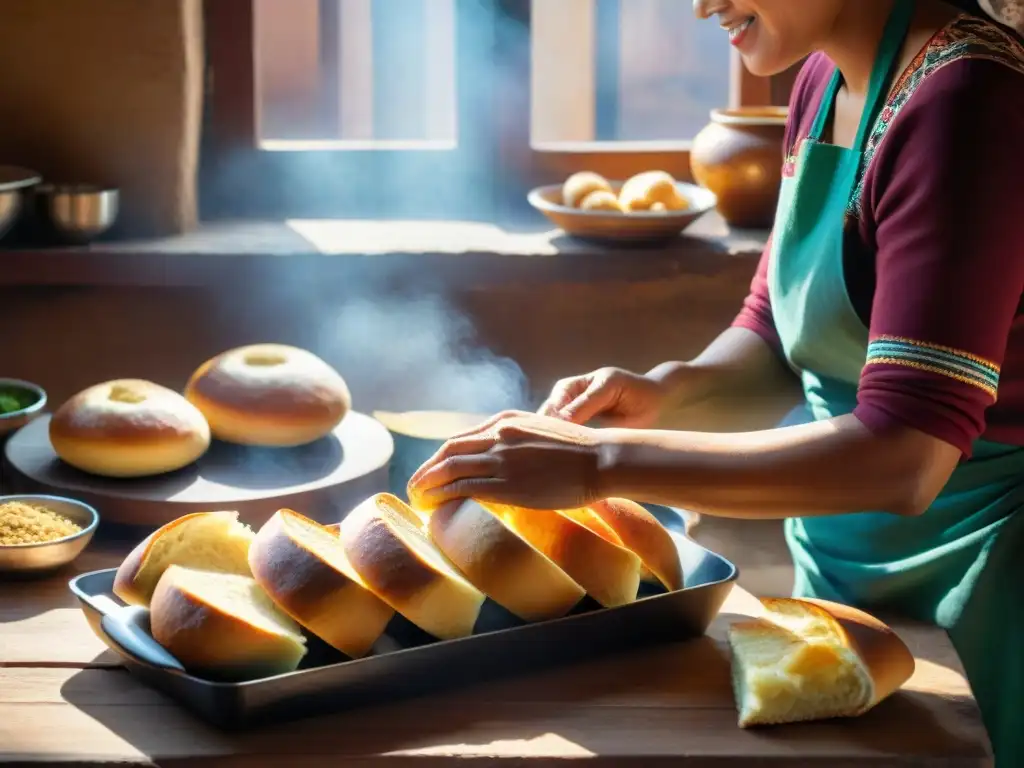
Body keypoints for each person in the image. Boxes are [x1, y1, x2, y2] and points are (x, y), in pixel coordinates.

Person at [408, 0, 1024, 762]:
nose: (701, 5)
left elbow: (908, 456)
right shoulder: (823, 79)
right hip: (844, 574)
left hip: (988, 588)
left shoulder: (966, 105)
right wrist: (666, 389)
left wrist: (598, 466)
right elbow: (778, 333)